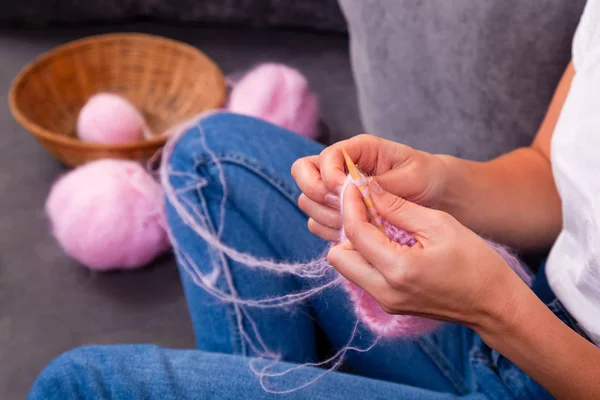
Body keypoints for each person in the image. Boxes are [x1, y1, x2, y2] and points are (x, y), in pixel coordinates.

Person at [28, 1, 600, 399]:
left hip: (552, 361)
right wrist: (438, 181)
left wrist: (493, 307)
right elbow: (548, 173)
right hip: (527, 321)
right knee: (210, 155)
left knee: (79, 386)